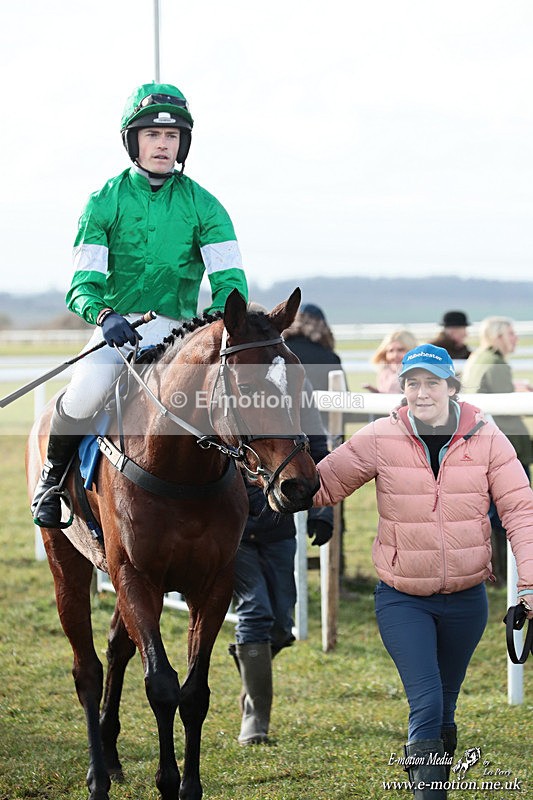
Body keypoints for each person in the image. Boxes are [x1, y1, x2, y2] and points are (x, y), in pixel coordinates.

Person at [312, 343, 533, 799]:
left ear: (451, 387)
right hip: (402, 599)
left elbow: (521, 510)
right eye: (412, 382)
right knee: (427, 704)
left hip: (468, 601)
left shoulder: (488, 437)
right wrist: (258, 481)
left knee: (445, 710)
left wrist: (529, 585)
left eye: (432, 382)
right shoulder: (380, 436)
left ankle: (432, 782)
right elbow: (319, 484)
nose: (421, 391)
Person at [31, 82, 248, 527]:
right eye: (152, 135)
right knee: (84, 392)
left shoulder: (206, 206)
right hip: (118, 327)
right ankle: (51, 483)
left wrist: (224, 321)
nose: (163, 145)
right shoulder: (102, 202)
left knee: (229, 399)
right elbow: (81, 286)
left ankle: (250, 490)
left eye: (172, 137)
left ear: (182, 144)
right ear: (134, 141)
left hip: (181, 331)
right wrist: (105, 315)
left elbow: (230, 284)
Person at [229, 375, 333, 745]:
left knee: (281, 625)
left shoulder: (295, 389)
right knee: (255, 612)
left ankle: (249, 665)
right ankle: (254, 722)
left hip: (278, 527)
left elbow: (317, 447)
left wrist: (323, 511)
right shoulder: (226, 391)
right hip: (232, 529)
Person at [462, 316, 533, 583]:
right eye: (511, 333)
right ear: (499, 336)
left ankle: (497, 573)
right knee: (512, 512)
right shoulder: (497, 363)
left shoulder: (480, 358)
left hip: (482, 443)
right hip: (506, 444)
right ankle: (508, 574)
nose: (515, 338)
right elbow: (507, 409)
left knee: (490, 511)